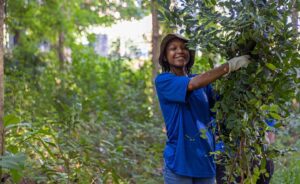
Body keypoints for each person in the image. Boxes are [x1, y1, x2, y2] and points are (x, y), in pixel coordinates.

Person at [155, 33, 251, 184]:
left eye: (184, 48)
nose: (180, 51)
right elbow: (192, 84)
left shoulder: (204, 84)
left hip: (205, 163)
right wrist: (229, 65)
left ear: (190, 54)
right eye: (173, 49)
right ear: (165, 57)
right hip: (180, 164)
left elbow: (223, 104)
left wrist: (244, 75)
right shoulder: (164, 81)